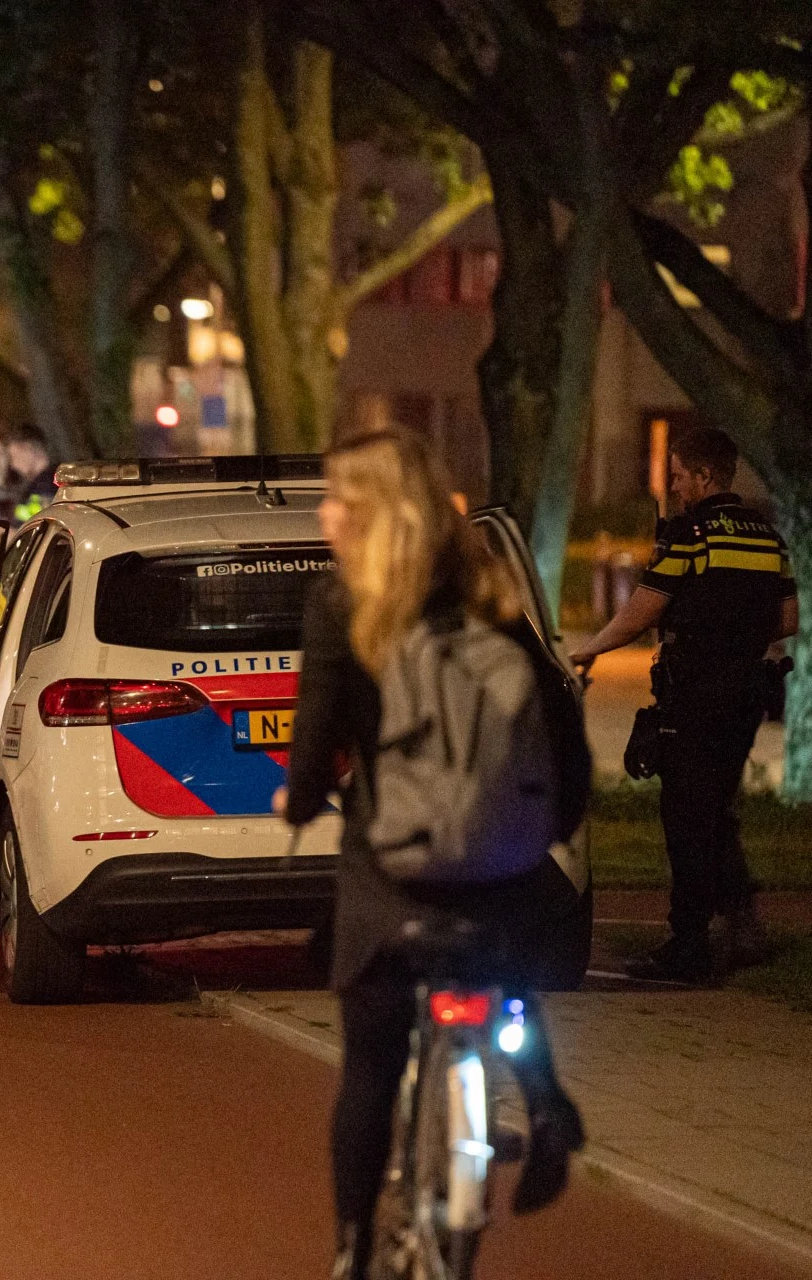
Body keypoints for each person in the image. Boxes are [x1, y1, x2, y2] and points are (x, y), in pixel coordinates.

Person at [284, 431, 591, 1278]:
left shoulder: (342, 604)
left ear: (371, 513)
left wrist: (299, 801)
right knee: (502, 959)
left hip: (392, 870)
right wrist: (550, 829)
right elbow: (559, 731)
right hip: (500, 864)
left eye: (337, 498)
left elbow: (315, 748)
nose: (325, 514)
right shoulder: (491, 595)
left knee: (372, 1059)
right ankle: (545, 1100)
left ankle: (350, 1250)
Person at [568, 426, 798, 982]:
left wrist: (586, 649)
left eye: (677, 475)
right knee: (715, 808)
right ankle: (742, 924)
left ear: (704, 476)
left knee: (686, 817)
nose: (672, 486)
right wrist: (739, 637)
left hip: (694, 692)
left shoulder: (691, 533)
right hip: (746, 695)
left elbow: (643, 609)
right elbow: (788, 620)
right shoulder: (768, 535)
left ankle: (690, 945)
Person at [7, 423, 56, 519]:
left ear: (28, 448)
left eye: (15, 456)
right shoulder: (57, 479)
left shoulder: (45, 486)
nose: (13, 464)